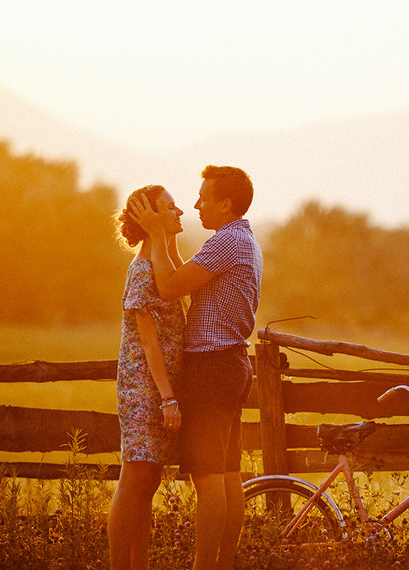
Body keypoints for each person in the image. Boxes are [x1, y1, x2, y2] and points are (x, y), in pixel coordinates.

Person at [128, 165, 262, 570]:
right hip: (232, 363)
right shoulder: (242, 239)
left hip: (211, 368)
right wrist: (161, 238)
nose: (196, 204)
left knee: (208, 479)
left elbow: (168, 286)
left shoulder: (226, 242)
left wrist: (154, 234)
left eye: (204, 197)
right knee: (228, 474)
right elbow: (181, 272)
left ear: (226, 203)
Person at [109, 185, 186, 570]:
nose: (181, 212)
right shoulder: (141, 271)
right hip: (145, 389)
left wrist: (162, 233)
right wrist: (168, 398)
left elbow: (173, 265)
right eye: (170, 208)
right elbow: (149, 344)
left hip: (162, 387)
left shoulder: (161, 264)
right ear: (150, 217)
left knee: (148, 486)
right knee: (134, 481)